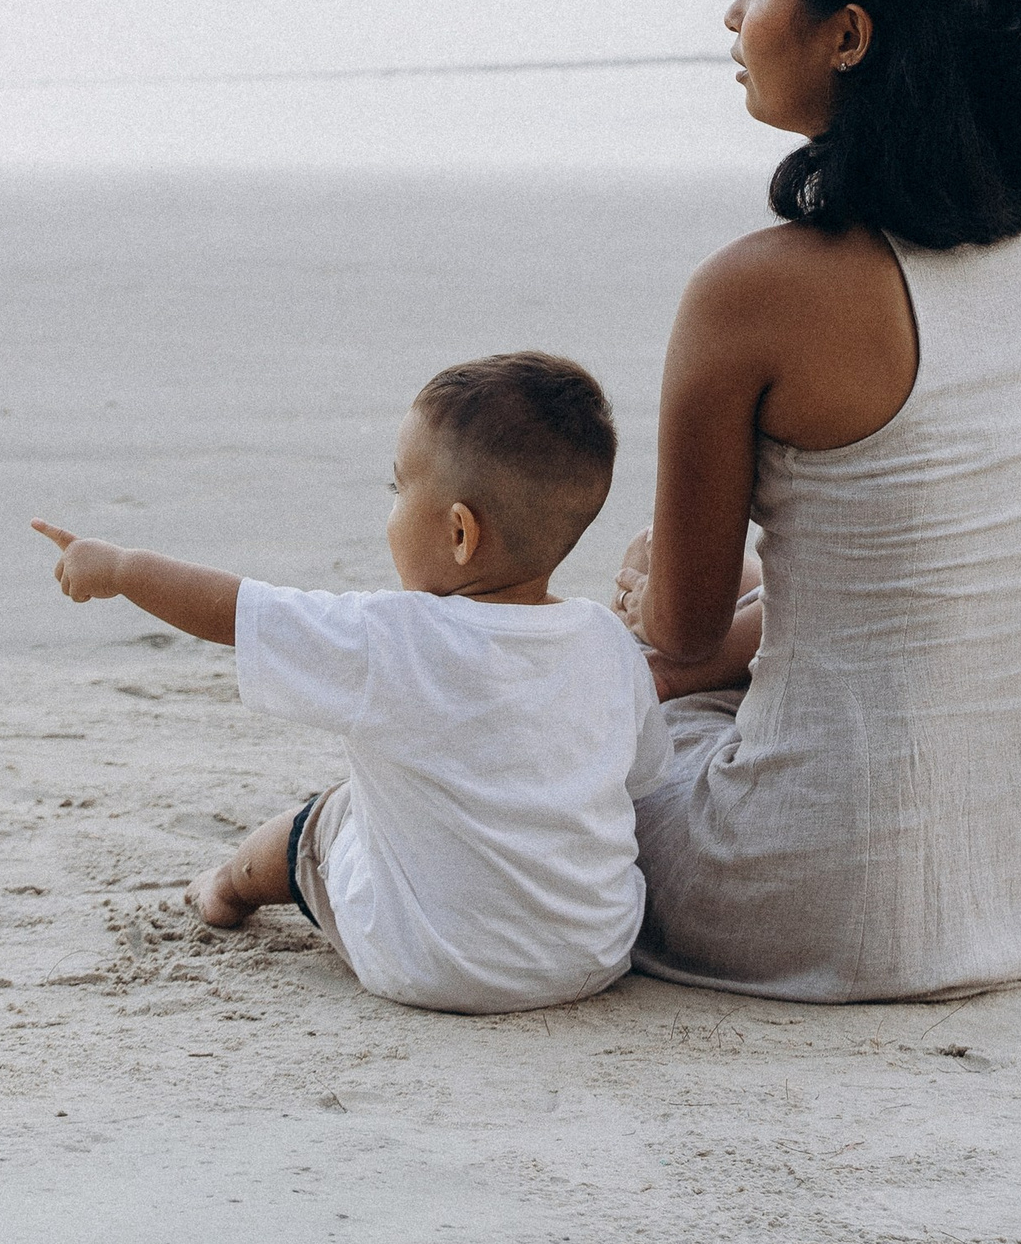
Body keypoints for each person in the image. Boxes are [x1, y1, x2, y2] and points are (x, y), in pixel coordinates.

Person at [614, 0, 1021, 1000]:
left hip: (836, 883)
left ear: (846, 33)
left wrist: (645, 587)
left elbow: (680, 637)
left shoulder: (751, 290)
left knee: (542, 771)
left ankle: (300, 851)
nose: (732, 13)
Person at [34, 351, 675, 1014]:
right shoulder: (606, 641)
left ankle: (227, 886)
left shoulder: (392, 634)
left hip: (436, 965)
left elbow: (238, 611)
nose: (391, 509)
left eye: (397, 489)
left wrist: (122, 569)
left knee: (325, 821)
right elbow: (641, 778)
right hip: (591, 955)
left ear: (460, 533)